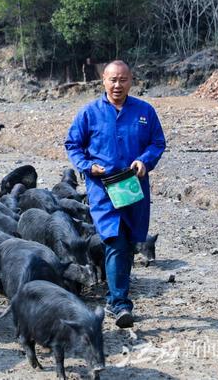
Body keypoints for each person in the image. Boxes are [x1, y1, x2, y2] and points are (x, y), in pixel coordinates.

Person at [64, 60, 166, 328]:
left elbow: (157, 142)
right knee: (114, 240)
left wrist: (145, 160)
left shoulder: (145, 111)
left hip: (133, 187)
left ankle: (115, 296)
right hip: (104, 188)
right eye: (112, 80)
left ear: (131, 81)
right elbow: (73, 144)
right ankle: (119, 303)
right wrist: (87, 166)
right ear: (103, 82)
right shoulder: (90, 113)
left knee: (130, 242)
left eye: (123, 80)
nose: (117, 85)